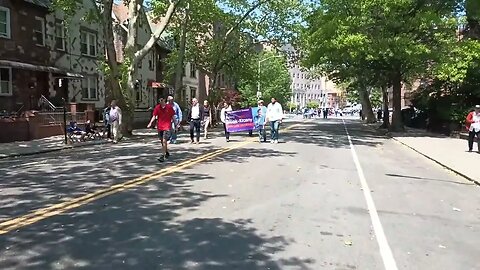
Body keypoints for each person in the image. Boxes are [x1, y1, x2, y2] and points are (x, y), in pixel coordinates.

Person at [147, 97, 177, 162]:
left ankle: (162, 156)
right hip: (160, 127)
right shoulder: (157, 107)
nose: (160, 101)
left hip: (167, 126)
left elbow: (173, 117)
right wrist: (150, 123)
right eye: (159, 100)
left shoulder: (169, 107)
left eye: (162, 100)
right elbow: (154, 116)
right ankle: (167, 152)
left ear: (164, 100)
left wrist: (176, 125)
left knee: (164, 141)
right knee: (162, 142)